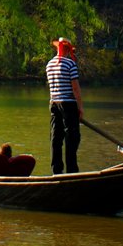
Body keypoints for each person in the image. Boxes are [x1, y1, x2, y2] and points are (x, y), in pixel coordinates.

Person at [46, 36, 83, 174]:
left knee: (56, 137)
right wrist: (80, 108)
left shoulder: (49, 64)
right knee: (72, 138)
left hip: (54, 103)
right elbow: (76, 89)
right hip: (68, 104)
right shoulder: (70, 64)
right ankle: (72, 171)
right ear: (67, 49)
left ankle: (56, 170)